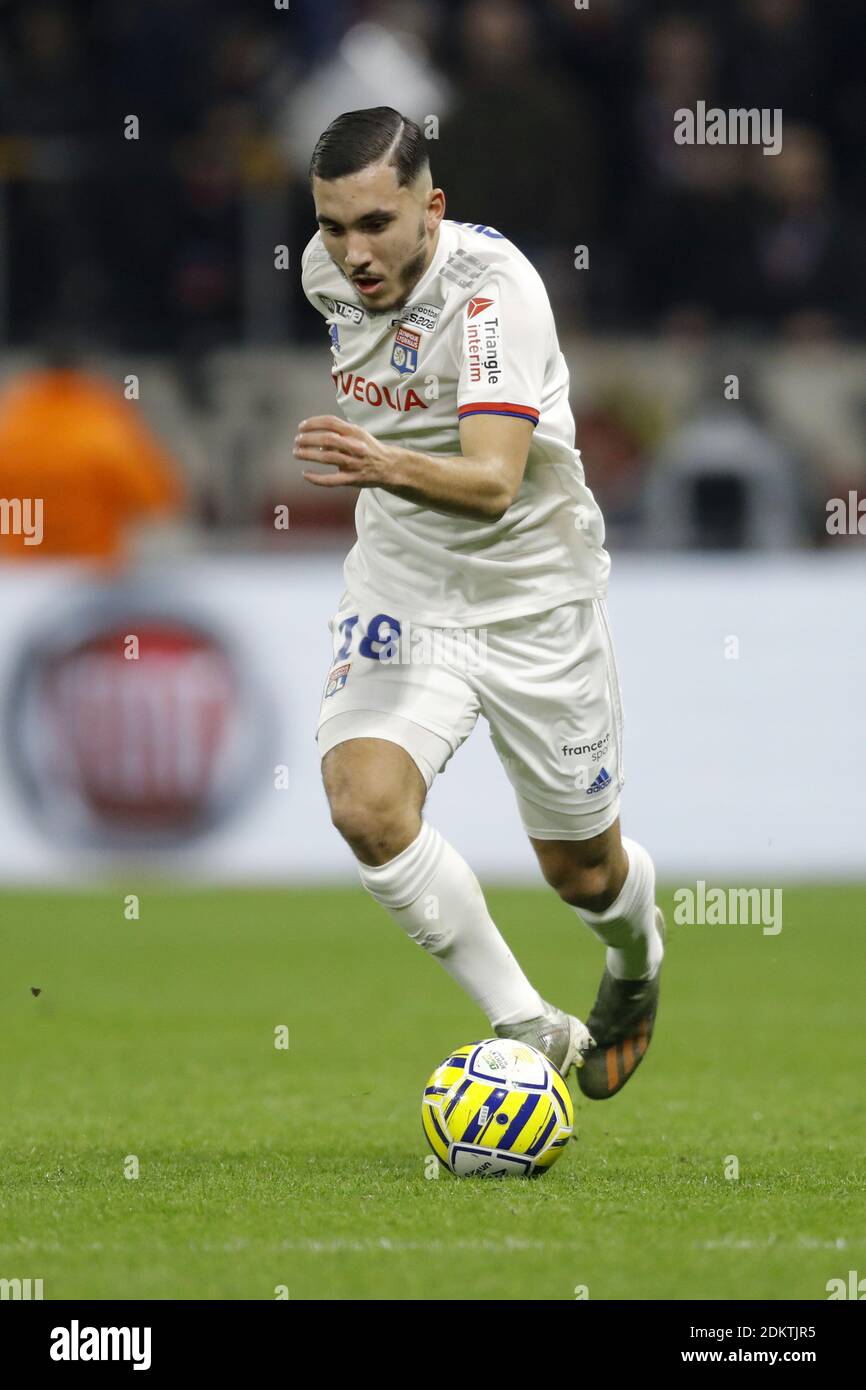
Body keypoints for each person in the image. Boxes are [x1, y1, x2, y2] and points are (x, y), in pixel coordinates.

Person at [295, 107, 664, 1099]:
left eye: (376, 222)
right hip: (404, 587)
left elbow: (494, 481)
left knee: (581, 874)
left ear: (432, 206)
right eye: (332, 225)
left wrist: (375, 460)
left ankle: (636, 959)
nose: (351, 252)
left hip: (531, 597)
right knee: (365, 808)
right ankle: (527, 1023)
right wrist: (380, 469)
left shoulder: (495, 297)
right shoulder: (320, 272)